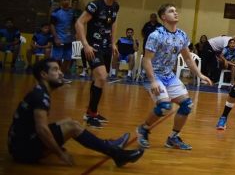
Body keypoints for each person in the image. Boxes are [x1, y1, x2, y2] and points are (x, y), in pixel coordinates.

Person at [8, 58, 144, 167]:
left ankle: (108, 146)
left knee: (69, 122)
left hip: (20, 144)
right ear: (43, 75)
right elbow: (42, 130)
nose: (61, 73)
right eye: (55, 70)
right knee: (72, 127)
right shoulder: (40, 96)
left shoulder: (39, 91)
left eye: (59, 69)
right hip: (22, 151)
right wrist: (60, 153)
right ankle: (117, 155)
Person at [137, 4, 212, 150]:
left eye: (176, 11)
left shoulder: (182, 35)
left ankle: (173, 138)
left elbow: (188, 58)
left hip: (169, 75)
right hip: (153, 75)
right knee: (165, 106)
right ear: (163, 17)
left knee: (187, 105)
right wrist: (153, 81)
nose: (176, 13)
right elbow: (146, 60)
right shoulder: (155, 35)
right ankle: (143, 129)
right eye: (171, 11)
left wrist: (199, 74)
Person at [74, 0, 121, 128]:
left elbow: (113, 23)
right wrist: (85, 45)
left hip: (106, 47)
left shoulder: (115, 6)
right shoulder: (95, 5)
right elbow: (79, 23)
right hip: (93, 47)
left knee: (99, 79)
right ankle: (90, 115)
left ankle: (91, 112)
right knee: (101, 76)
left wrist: (113, 42)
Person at [50, 0, 75, 79]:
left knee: (68, 58)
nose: (66, 1)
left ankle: (61, 75)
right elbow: (52, 25)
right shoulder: (56, 12)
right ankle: (55, 75)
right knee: (57, 59)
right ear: (61, 1)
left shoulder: (72, 12)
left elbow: (74, 24)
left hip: (69, 39)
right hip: (59, 39)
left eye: (68, 0)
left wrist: (75, 34)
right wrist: (56, 37)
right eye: (64, 0)